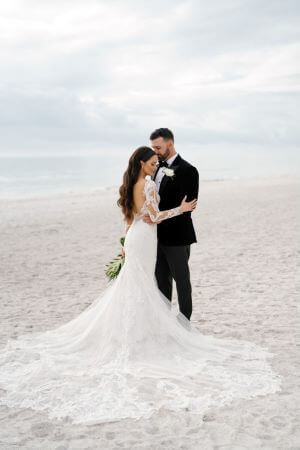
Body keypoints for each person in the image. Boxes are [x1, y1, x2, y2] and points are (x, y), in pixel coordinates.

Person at [0, 146, 281, 425]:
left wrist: (124, 245)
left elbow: (131, 220)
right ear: (144, 164)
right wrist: (181, 209)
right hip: (145, 239)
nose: (156, 166)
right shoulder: (146, 185)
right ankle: (137, 338)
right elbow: (155, 217)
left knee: (135, 288)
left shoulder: (129, 184)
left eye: (158, 162)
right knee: (141, 287)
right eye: (153, 163)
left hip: (135, 239)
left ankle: (131, 334)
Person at [143, 128, 199, 321]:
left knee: (182, 281)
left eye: (158, 147)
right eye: (153, 147)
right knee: (161, 282)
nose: (155, 151)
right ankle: (165, 323)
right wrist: (152, 217)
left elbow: (188, 207)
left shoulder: (188, 170)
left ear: (170, 144)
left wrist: (157, 217)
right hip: (155, 235)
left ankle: (184, 323)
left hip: (177, 236)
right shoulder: (155, 167)